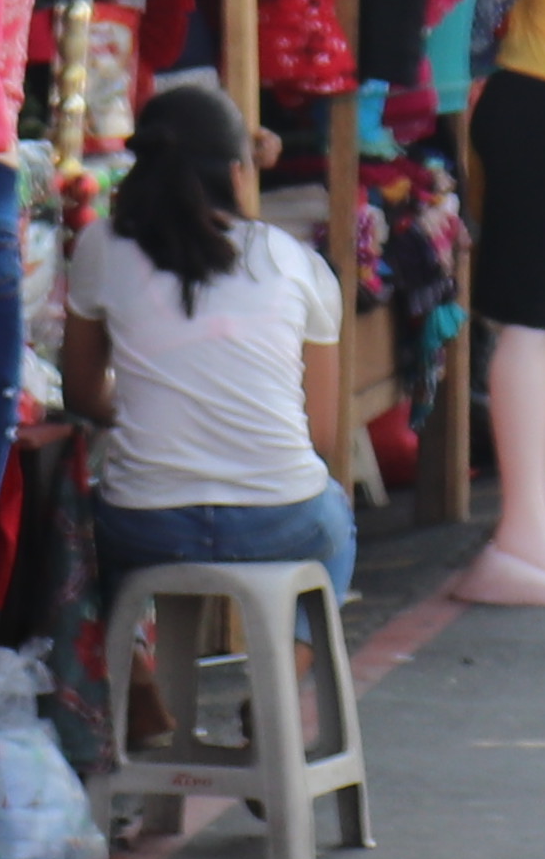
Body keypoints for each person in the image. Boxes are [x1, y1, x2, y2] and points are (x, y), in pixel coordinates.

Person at [59, 79, 352, 594]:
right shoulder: (296, 262)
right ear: (237, 173)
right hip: (283, 519)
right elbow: (321, 436)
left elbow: (81, 393)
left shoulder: (100, 246)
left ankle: (140, 666)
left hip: (146, 524)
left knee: (92, 533)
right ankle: (292, 667)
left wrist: (148, 404)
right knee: (336, 525)